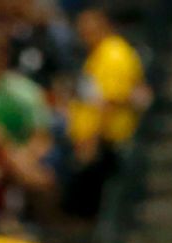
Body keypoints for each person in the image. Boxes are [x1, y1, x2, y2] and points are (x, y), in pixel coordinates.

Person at [63, 8, 147, 218]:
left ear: (105, 26)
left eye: (90, 28)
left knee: (96, 210)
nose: (84, 33)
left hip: (106, 144)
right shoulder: (98, 54)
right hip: (98, 143)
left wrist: (92, 141)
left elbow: (110, 101)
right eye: (81, 28)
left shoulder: (114, 53)